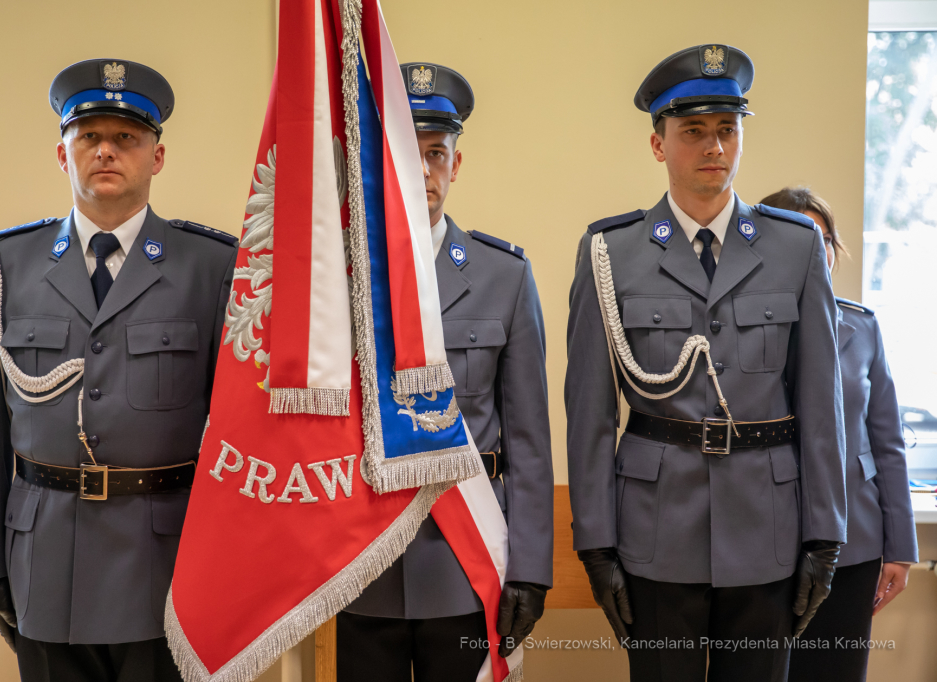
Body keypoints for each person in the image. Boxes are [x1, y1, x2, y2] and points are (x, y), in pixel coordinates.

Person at [565, 45, 847, 682]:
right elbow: (588, 411)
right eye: (693, 131)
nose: (713, 146)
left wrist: (824, 535)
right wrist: (596, 543)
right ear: (659, 145)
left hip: (767, 533)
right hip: (655, 532)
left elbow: (821, 404)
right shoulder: (610, 251)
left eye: (727, 129)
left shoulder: (794, 247)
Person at [0, 59, 238, 682]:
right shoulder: (6, 264)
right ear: (63, 155)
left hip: (166, 569)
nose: (106, 151)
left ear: (157, 157)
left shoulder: (212, 266)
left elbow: (233, 434)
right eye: (89, 137)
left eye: (126, 139)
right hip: (46, 564)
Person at [337, 62, 554, 682]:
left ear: (456, 164)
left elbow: (530, 443)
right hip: (365, 561)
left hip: (467, 560)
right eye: (410, 152)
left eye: (438, 153)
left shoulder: (503, 276)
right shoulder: (340, 278)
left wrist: (531, 571)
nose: (425, 170)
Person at [760, 187, 917, 682]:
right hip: (764, 542)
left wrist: (900, 549)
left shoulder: (863, 326)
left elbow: (887, 445)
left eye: (822, 238)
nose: (815, 249)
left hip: (855, 543)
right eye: (798, 236)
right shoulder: (744, 332)